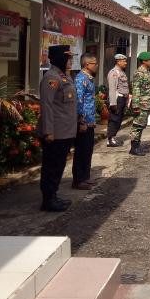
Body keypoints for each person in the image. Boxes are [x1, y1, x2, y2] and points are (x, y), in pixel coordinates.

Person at [37, 45, 77, 212]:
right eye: (67, 58)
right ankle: (48, 199)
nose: (70, 61)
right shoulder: (51, 78)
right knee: (51, 167)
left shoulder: (63, 77)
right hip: (55, 133)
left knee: (59, 165)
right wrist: (48, 131)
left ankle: (53, 195)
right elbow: (46, 106)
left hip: (65, 131)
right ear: (59, 58)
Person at [72, 53, 98, 190]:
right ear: (87, 65)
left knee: (88, 150)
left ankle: (85, 177)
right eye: (94, 63)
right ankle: (78, 180)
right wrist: (81, 120)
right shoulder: (80, 79)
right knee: (81, 151)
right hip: (83, 122)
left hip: (90, 121)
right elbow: (79, 101)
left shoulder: (88, 79)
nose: (97, 65)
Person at [130, 52, 150, 156]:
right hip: (140, 104)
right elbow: (136, 90)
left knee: (141, 125)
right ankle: (134, 148)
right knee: (137, 126)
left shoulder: (146, 72)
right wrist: (135, 106)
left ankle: (137, 146)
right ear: (144, 61)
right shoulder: (139, 73)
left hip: (145, 104)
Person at [106, 54, 130, 147]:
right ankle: (110, 139)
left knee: (119, 119)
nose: (125, 63)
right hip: (117, 99)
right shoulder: (114, 73)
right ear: (118, 61)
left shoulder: (121, 72)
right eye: (124, 61)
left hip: (122, 98)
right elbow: (112, 89)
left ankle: (113, 137)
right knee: (114, 119)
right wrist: (113, 103)